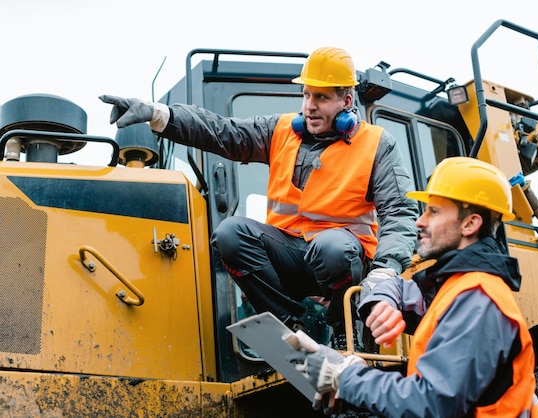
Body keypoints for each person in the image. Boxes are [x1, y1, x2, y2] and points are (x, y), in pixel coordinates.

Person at [99, 46, 419, 350]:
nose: (309, 105)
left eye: (320, 97)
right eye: (306, 94)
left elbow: (401, 210)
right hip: (290, 258)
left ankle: (343, 331)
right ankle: (290, 328)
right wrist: (159, 114)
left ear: (347, 100)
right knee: (230, 233)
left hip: (344, 262)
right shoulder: (280, 131)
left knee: (332, 247)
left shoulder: (376, 144)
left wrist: (385, 269)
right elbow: (221, 131)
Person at [286, 156, 538, 417]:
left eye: (433, 211)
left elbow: (432, 404)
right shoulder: (455, 287)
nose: (419, 222)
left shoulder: (478, 299)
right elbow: (397, 287)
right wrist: (382, 302)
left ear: (470, 224)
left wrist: (347, 377)